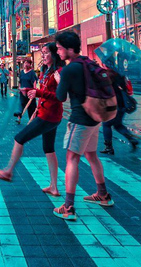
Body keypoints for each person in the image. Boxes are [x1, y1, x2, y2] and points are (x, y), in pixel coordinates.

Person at [53, 31, 113, 220]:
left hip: (80, 119)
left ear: (70, 49)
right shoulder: (88, 62)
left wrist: (59, 81)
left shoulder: (70, 69)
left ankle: (69, 207)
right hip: (95, 117)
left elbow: (60, 97)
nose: (58, 52)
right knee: (91, 155)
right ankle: (103, 194)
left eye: (60, 49)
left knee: (72, 159)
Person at [0, 43, 65, 196]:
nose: (43, 56)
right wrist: (37, 106)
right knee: (49, 149)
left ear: (54, 54)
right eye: (42, 53)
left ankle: (9, 171)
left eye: (46, 53)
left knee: (19, 138)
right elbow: (44, 92)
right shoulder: (46, 71)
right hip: (47, 114)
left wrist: (38, 93)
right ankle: (54, 187)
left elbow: (60, 97)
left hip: (50, 116)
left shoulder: (58, 72)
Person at [100, 63, 139, 155]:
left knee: (106, 124)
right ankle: (131, 139)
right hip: (122, 103)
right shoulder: (121, 75)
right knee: (118, 125)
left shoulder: (107, 75)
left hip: (112, 103)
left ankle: (108, 147)